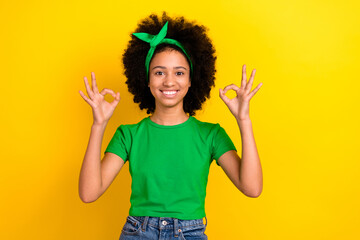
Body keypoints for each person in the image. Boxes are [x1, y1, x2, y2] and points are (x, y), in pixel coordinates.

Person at [78, 12, 263, 240]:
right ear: (146, 79)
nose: (169, 81)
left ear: (191, 80)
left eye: (179, 72)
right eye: (159, 72)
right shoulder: (129, 135)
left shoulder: (211, 135)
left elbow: (252, 188)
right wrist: (98, 125)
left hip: (190, 233)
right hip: (138, 232)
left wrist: (244, 120)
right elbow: (88, 193)